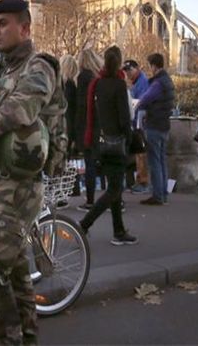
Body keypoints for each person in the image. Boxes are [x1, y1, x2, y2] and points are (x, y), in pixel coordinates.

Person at [0, 0, 64, 344]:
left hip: (19, 188)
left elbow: (21, 109)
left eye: (4, 23)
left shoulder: (39, 68)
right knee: (17, 276)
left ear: (25, 28)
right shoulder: (0, 69)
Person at [80, 45, 137, 245]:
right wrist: (130, 139)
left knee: (115, 186)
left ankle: (119, 231)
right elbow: (124, 118)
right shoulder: (119, 85)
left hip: (100, 143)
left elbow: (92, 116)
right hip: (116, 143)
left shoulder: (98, 84)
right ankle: (84, 224)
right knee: (113, 189)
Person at [136, 53, 175, 206]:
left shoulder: (158, 83)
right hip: (164, 124)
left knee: (155, 162)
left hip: (155, 124)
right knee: (162, 160)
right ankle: (163, 193)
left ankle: (157, 195)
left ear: (154, 65)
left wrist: (137, 104)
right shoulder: (168, 81)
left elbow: (145, 99)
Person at [76, 48, 106, 211]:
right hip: (100, 125)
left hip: (88, 126)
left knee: (89, 163)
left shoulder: (83, 77)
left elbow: (81, 106)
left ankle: (90, 199)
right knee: (101, 163)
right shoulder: (98, 77)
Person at [123, 59, 150, 194]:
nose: (128, 74)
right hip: (136, 121)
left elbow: (140, 103)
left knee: (141, 153)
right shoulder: (136, 82)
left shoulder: (142, 82)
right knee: (137, 153)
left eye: (130, 70)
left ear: (136, 68)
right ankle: (137, 181)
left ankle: (142, 181)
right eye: (126, 71)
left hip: (140, 121)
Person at [60, 54, 80, 199]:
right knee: (70, 160)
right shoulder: (74, 85)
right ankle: (74, 186)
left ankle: (67, 189)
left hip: (66, 126)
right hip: (72, 126)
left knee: (64, 159)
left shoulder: (66, 86)